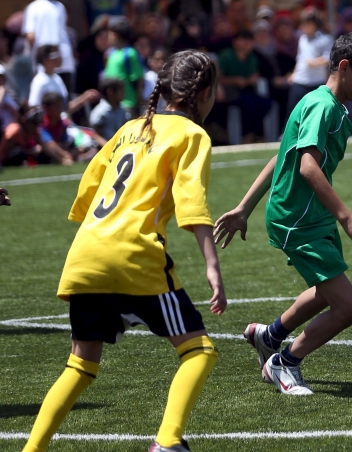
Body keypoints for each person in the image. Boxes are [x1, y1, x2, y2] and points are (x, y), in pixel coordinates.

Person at [22, 50, 226, 452]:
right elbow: (191, 200)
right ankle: (167, 443)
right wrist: (212, 263)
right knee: (199, 350)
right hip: (135, 256)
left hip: (85, 254)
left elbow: (89, 185)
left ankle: (31, 450)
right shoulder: (192, 135)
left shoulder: (130, 128)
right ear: (203, 93)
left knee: (80, 365)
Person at [212, 33, 352, 396]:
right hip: (298, 218)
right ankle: (285, 361)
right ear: (344, 67)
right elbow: (306, 167)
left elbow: (282, 158)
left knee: (326, 291)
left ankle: (269, 336)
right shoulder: (324, 108)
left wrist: (245, 207)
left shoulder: (320, 102)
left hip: (310, 214)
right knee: (348, 307)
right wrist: (347, 218)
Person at [219, 30, 273, 143]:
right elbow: (219, 78)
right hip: (229, 91)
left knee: (266, 103)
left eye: (249, 40)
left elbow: (254, 74)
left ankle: (251, 133)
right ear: (235, 42)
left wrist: (252, 79)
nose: (246, 43)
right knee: (249, 105)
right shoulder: (226, 55)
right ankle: (245, 136)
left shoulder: (252, 57)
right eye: (243, 40)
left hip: (247, 90)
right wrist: (235, 80)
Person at [23, 0, 76, 86]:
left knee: (47, 100)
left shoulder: (33, 7)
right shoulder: (60, 6)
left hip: (45, 62)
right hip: (63, 59)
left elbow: (30, 36)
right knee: (64, 99)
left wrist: (36, 57)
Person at [289, 8, 334, 117]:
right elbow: (300, 58)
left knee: (316, 116)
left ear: (313, 24)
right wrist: (294, 73)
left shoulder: (325, 39)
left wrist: (313, 63)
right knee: (295, 114)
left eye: (305, 23)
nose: (302, 27)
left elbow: (329, 58)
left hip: (316, 83)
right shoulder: (302, 38)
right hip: (300, 81)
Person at [102, 20, 144, 116]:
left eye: (110, 34)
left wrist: (139, 99)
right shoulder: (111, 53)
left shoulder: (130, 53)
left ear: (115, 36)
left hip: (128, 103)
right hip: (112, 105)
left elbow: (138, 79)